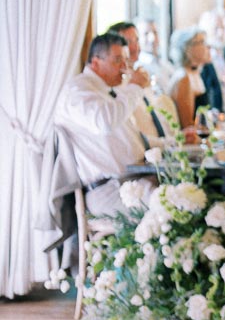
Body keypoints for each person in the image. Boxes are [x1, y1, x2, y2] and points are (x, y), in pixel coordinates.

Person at [54, 33, 152, 216]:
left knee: (188, 193)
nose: (124, 68)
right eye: (117, 61)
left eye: (125, 61)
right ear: (96, 62)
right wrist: (135, 87)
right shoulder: (77, 90)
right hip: (108, 191)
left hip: (132, 181)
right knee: (174, 206)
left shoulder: (107, 92)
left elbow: (133, 139)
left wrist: (171, 142)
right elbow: (104, 122)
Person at [168, 28, 212, 129]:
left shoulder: (195, 74)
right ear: (188, 49)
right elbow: (188, 126)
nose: (208, 46)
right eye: (202, 42)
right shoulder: (183, 79)